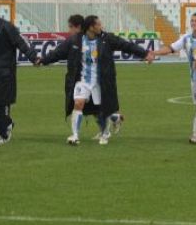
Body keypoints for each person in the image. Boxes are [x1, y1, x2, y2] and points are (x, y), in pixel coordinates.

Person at [40, 14, 154, 145]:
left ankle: (107, 129)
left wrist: (144, 53)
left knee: (101, 109)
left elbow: (126, 45)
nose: (101, 26)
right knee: (78, 103)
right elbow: (57, 53)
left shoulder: (107, 39)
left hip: (100, 82)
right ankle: (75, 136)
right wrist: (42, 60)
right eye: (98, 24)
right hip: (82, 80)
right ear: (91, 27)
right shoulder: (75, 40)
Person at [0, 0, 40, 144]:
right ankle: (8, 124)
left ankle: (3, 134)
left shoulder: (5, 26)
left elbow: (20, 43)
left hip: (3, 73)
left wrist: (33, 57)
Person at [150, 12, 196, 144]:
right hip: (194, 78)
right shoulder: (186, 38)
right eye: (192, 21)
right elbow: (170, 48)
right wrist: (154, 52)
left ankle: (195, 134)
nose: (194, 23)